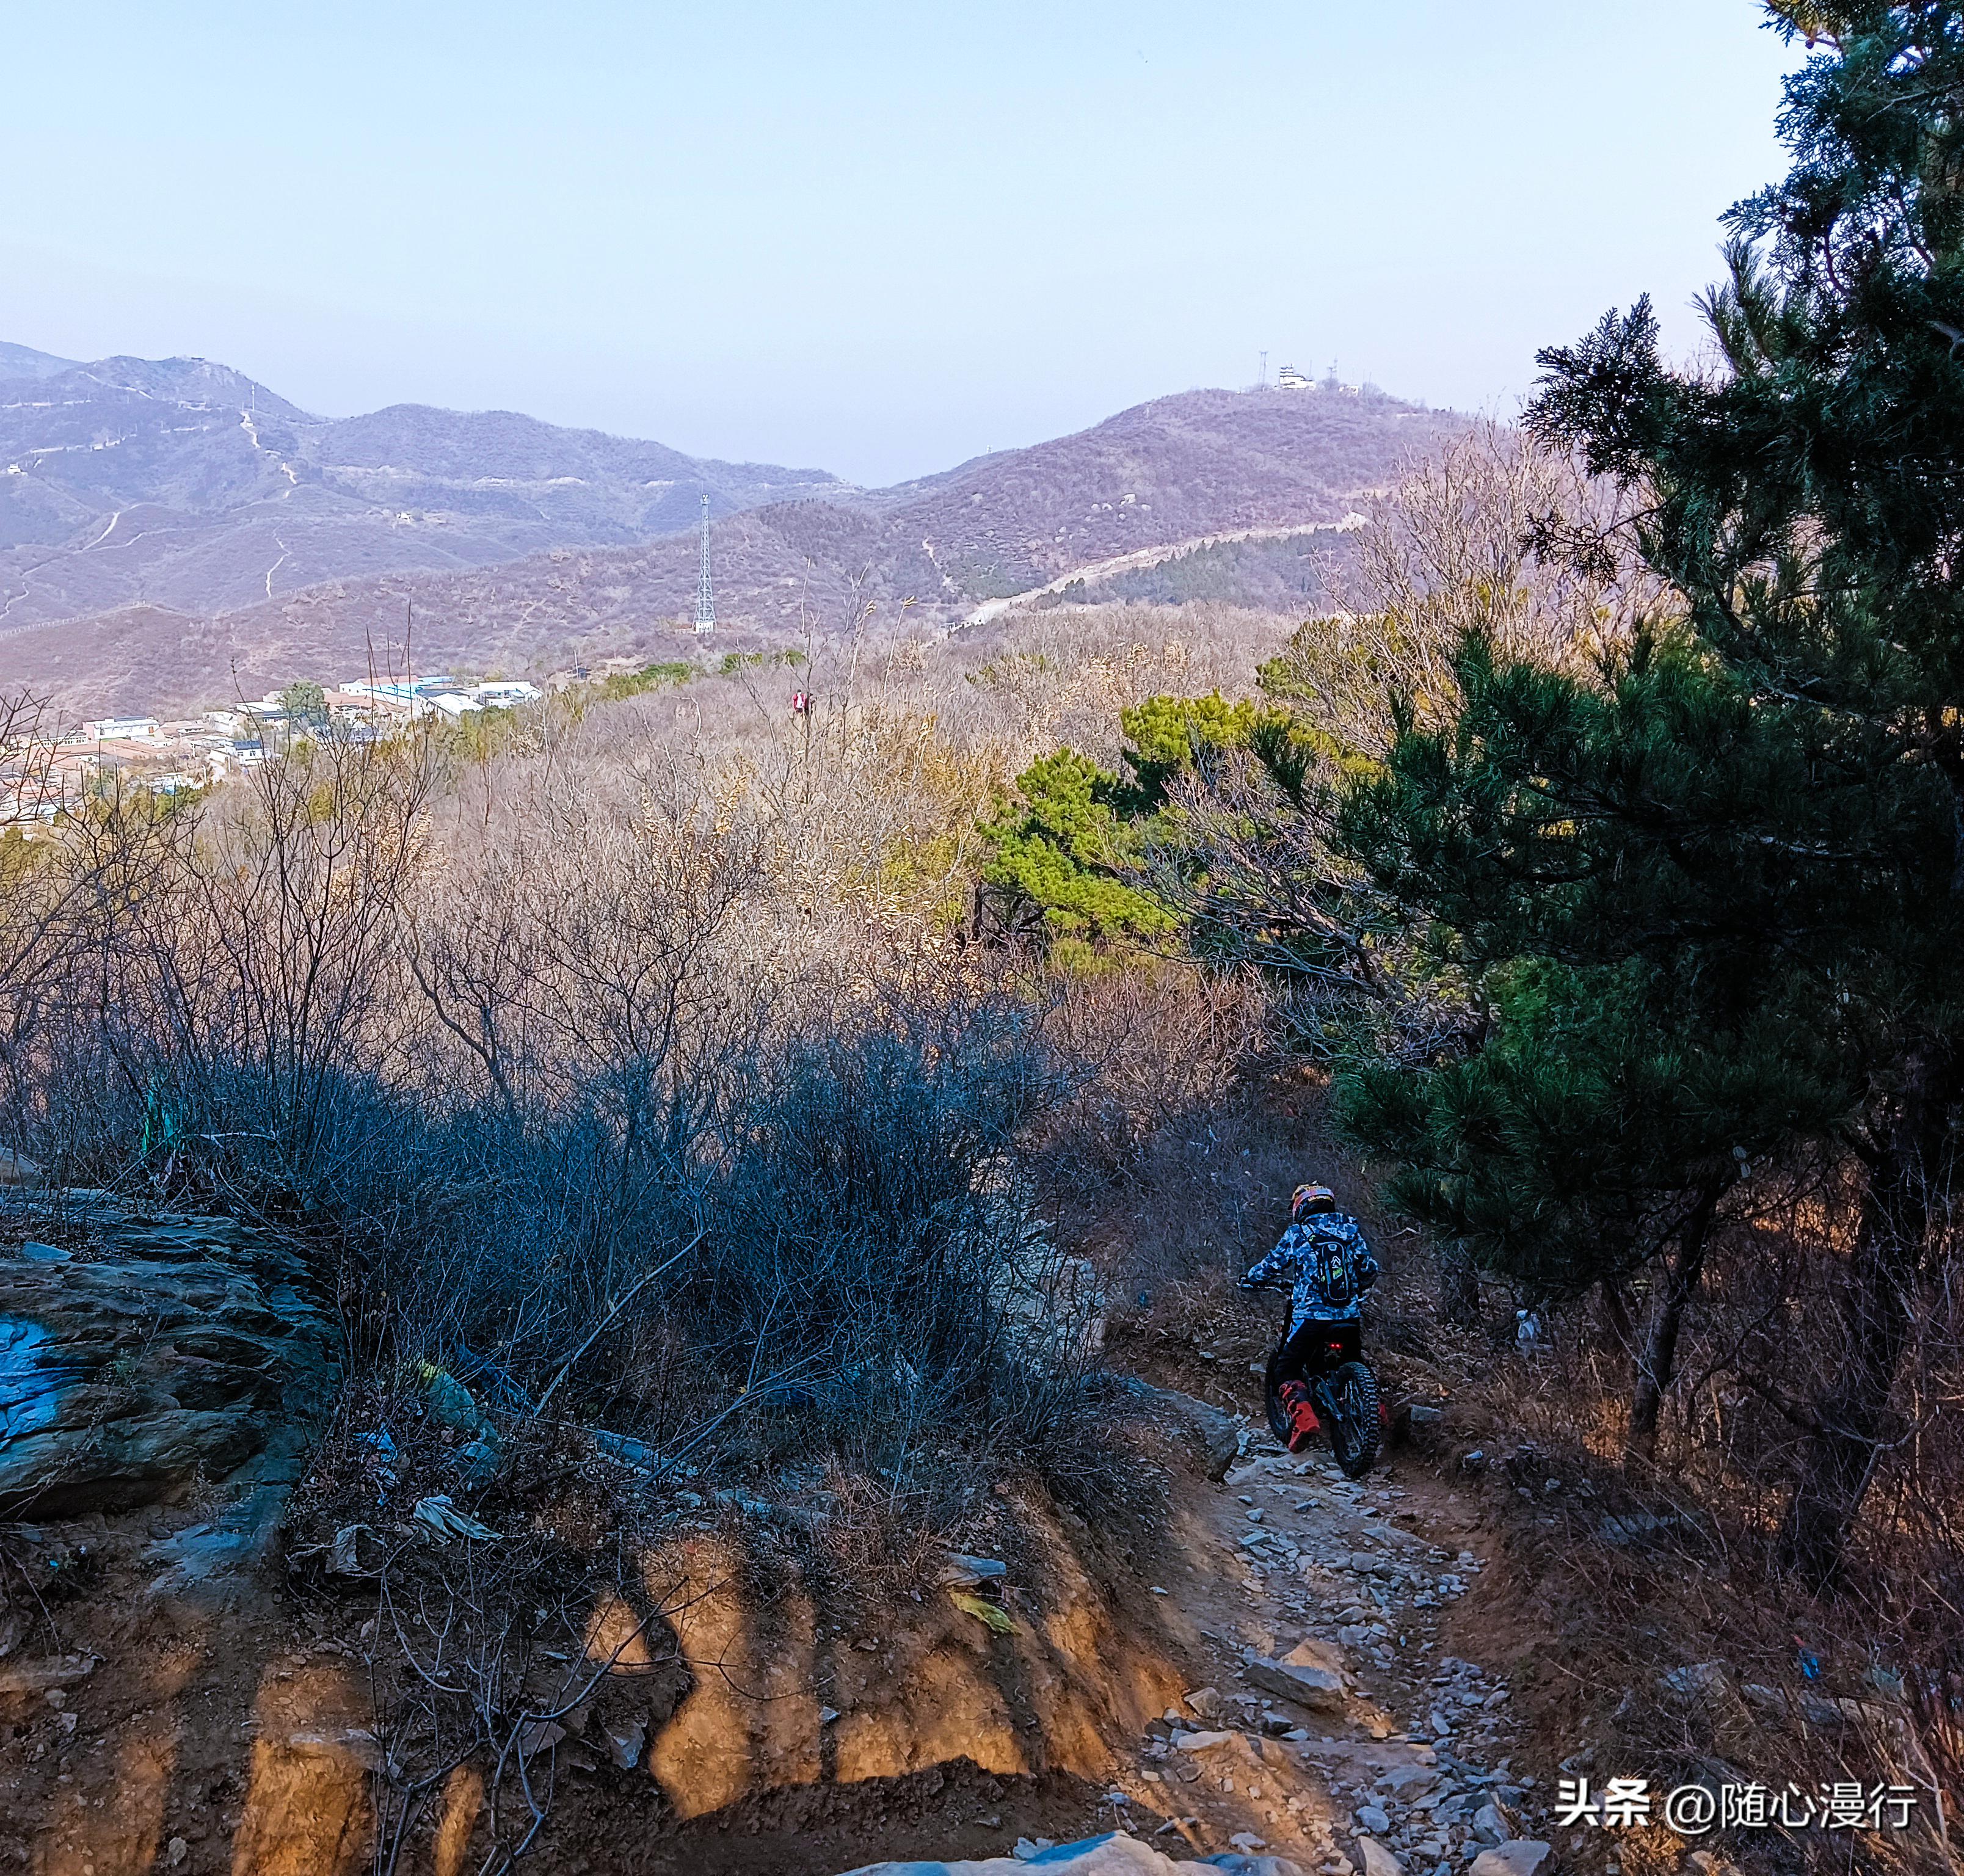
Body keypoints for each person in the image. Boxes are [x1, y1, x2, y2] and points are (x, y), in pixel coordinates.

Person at [1240, 1183, 1380, 1452]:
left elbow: (1272, 1265)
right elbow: (1369, 1268)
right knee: (1353, 1360)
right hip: (1349, 1315)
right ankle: (1375, 1411)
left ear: (1301, 1207)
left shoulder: (1299, 1232)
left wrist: (1249, 1281)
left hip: (1310, 1319)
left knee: (1287, 1368)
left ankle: (1304, 1420)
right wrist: (1356, 1287)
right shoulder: (1349, 1228)